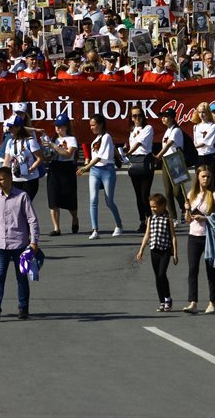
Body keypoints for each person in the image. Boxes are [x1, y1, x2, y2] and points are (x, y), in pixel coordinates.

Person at [0, 167, 40, 322]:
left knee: (21, 277)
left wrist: (34, 241)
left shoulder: (22, 196)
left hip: (20, 244)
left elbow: (32, 219)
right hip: (0, 245)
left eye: (1, 179)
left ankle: (23, 308)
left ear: (9, 179)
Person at [183, 164, 215, 315]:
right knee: (192, 270)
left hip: (209, 238)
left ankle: (213, 302)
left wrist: (205, 218)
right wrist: (187, 210)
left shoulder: (214, 195)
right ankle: (193, 302)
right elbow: (187, 220)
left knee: (210, 270)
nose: (206, 179)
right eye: (203, 176)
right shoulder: (191, 194)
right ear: (198, 178)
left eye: (208, 176)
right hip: (193, 236)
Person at [77, 113, 122, 239]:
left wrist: (86, 167)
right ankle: (95, 229)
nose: (91, 127)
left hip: (107, 170)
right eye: (90, 125)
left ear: (100, 124)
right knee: (93, 199)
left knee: (109, 201)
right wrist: (90, 168)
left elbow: (100, 157)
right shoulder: (96, 139)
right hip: (95, 171)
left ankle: (119, 225)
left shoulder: (106, 137)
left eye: (93, 125)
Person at [135, 193, 179, 313]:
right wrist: (141, 250)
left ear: (162, 205)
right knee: (157, 277)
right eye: (151, 207)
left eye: (155, 206)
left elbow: (173, 236)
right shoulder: (151, 219)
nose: (153, 209)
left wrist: (175, 253)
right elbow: (147, 235)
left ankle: (168, 298)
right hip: (154, 250)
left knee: (161, 274)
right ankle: (162, 301)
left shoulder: (168, 219)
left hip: (165, 250)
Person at [43, 113, 79, 236]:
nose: (58, 128)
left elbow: (68, 154)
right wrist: (47, 153)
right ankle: (56, 228)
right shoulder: (53, 139)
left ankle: (74, 217)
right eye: (56, 126)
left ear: (66, 126)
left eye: (61, 126)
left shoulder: (71, 139)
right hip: (55, 167)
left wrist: (53, 146)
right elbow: (47, 158)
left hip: (67, 168)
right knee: (53, 198)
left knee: (69, 197)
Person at [127, 106, 155, 234]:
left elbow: (139, 143)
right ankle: (142, 221)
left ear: (143, 116)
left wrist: (127, 153)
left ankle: (150, 219)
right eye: (134, 116)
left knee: (145, 194)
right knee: (138, 195)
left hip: (145, 162)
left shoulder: (148, 128)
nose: (137, 118)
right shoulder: (132, 130)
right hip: (134, 162)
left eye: (139, 115)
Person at [3, 116, 43, 200]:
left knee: (25, 204)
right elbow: (6, 161)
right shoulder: (10, 142)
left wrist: (30, 170)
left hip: (30, 180)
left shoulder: (30, 141)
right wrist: (3, 177)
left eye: (11, 127)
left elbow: (40, 158)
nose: (9, 129)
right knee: (16, 206)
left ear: (18, 127)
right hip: (15, 179)